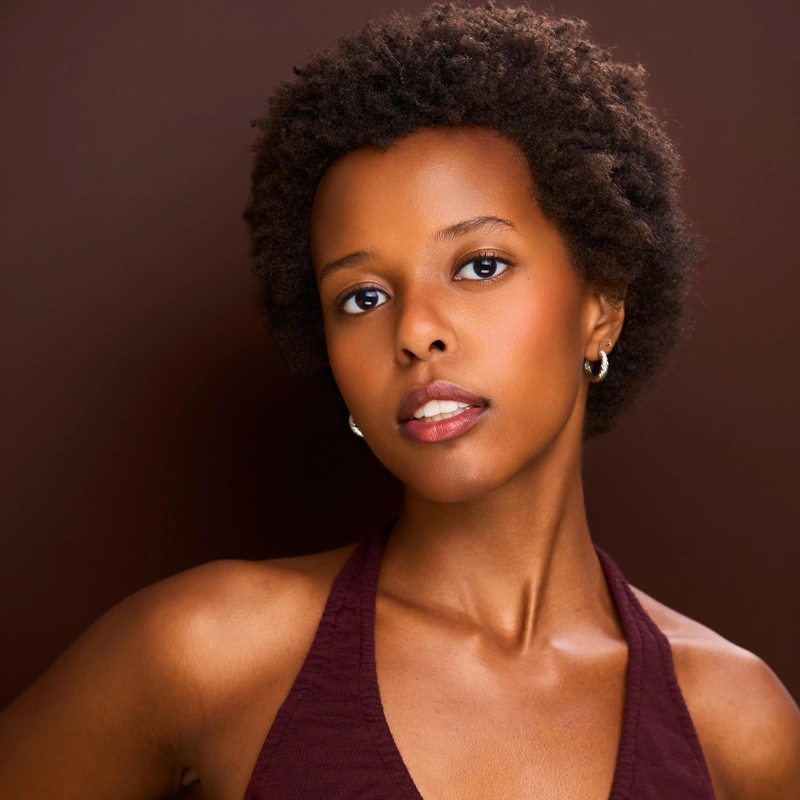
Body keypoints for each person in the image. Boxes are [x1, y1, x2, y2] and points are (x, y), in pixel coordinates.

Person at [1, 4, 798, 798]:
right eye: (362, 297)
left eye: (480, 266)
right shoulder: (208, 653)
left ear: (601, 308)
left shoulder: (735, 721)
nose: (415, 332)